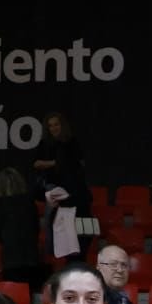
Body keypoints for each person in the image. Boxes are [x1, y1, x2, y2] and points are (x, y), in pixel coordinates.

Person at [32, 110, 90, 262]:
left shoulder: (72, 142)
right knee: (52, 219)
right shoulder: (44, 144)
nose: (54, 128)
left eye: (56, 124)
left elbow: (76, 164)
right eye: (50, 126)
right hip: (54, 188)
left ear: (62, 125)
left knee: (76, 230)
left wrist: (53, 164)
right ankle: (53, 253)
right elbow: (36, 164)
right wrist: (57, 164)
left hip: (74, 192)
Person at [0, 167, 44, 293]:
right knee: (31, 295)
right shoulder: (29, 202)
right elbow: (36, 228)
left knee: (14, 297)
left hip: (11, 259)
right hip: (31, 257)